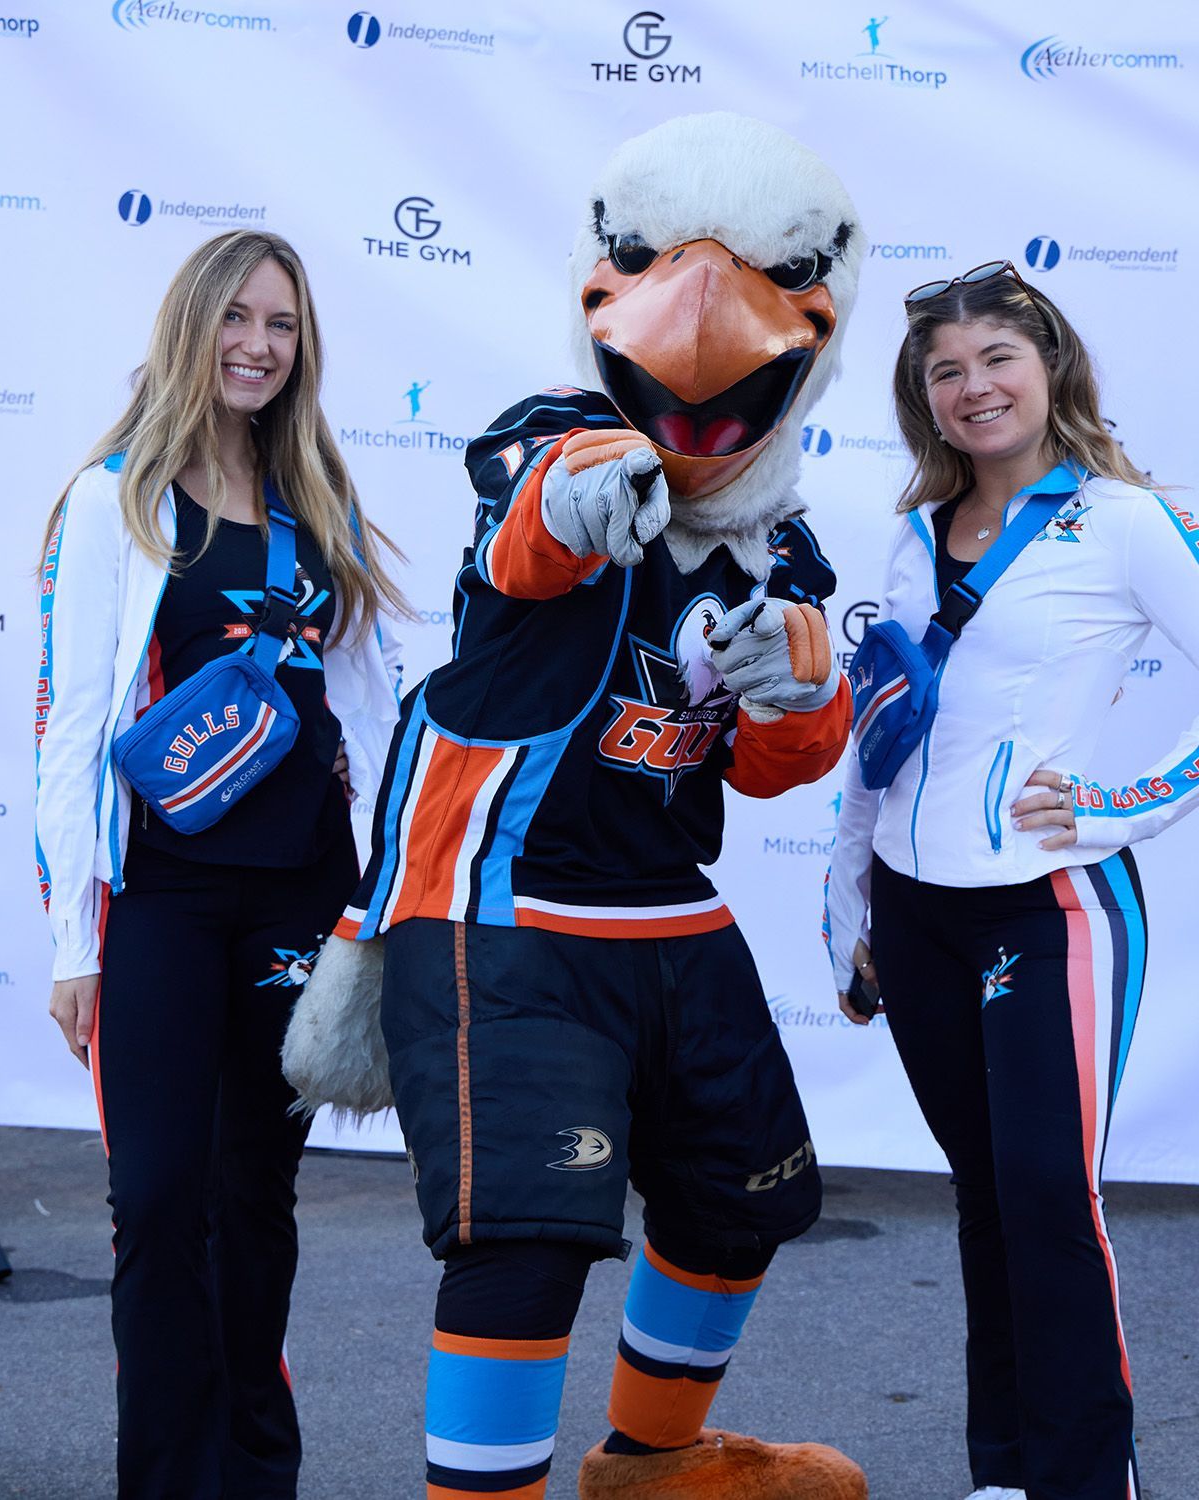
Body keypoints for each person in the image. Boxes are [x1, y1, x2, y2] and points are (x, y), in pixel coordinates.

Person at [304, 113, 869, 1500]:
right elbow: (527, 535)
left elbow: (768, 771)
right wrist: (586, 495)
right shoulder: (555, 434)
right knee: (526, 1238)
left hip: (668, 909)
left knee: (745, 1199)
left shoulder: (786, 544)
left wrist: (804, 695)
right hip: (505, 906)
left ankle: (650, 1464)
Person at [35, 229, 406, 1499]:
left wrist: (387, 893)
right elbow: (71, 727)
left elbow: (371, 709)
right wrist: (73, 942)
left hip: (300, 890)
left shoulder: (319, 499)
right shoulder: (117, 499)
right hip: (162, 898)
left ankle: (254, 1472)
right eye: (238, 318)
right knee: (155, 1199)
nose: (258, 345)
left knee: (255, 1196)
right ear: (191, 326)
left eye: (282, 324)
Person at [825, 260, 1195, 1500]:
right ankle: (1005, 1476)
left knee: (1049, 1200)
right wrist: (849, 909)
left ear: (1051, 370)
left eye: (997, 360)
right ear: (922, 397)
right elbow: (878, 741)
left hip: (1050, 908)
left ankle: (1088, 1483)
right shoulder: (910, 535)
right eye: (946, 371)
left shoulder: (1126, 519)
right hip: (912, 913)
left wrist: (1123, 803)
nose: (973, 387)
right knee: (986, 1200)